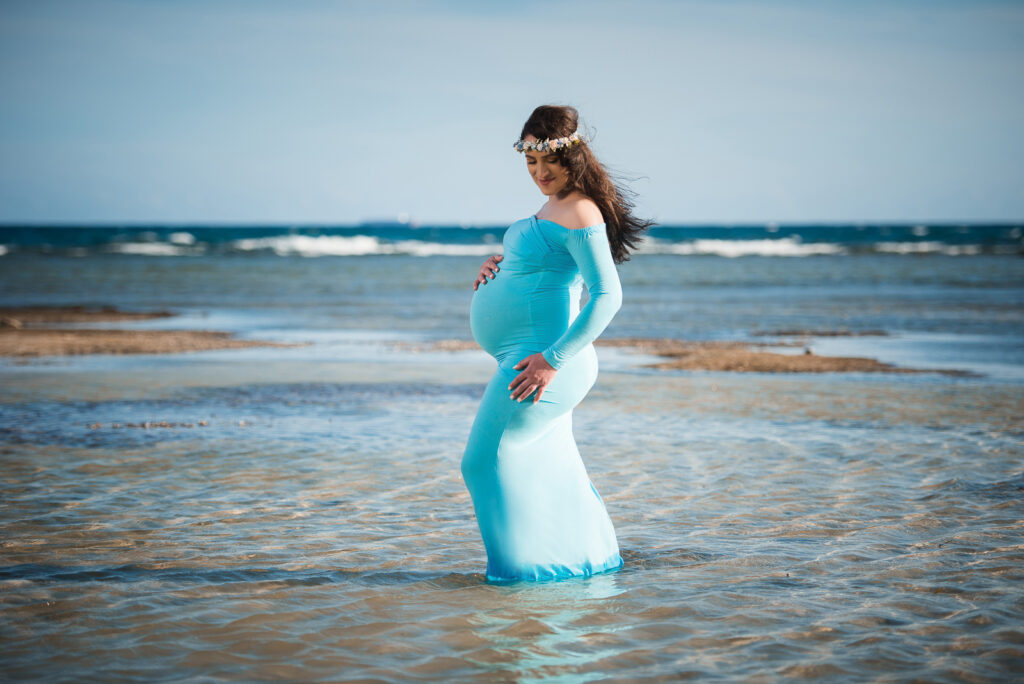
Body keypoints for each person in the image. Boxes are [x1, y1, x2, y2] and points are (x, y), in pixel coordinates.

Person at [461, 104, 653, 582]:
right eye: (531, 161)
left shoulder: (580, 209)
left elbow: (608, 296)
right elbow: (545, 264)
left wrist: (552, 361)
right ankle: (588, 564)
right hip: (532, 356)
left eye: (549, 160)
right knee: (550, 465)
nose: (540, 172)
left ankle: (516, 578)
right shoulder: (556, 209)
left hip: (542, 361)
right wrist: (501, 262)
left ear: (573, 156)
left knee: (481, 463)